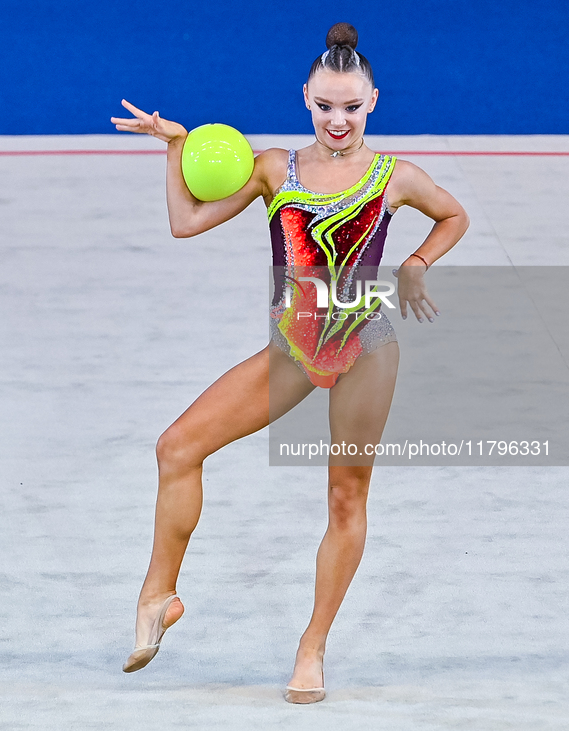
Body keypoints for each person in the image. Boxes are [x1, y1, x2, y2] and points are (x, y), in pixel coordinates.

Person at [110, 21, 469, 704]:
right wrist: (177, 147)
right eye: (325, 105)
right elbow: (185, 222)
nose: (338, 120)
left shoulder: (396, 177)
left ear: (373, 101)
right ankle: (157, 595)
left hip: (365, 350)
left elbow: (451, 216)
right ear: (305, 96)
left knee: (344, 496)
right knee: (177, 446)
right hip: (293, 350)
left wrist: (418, 263)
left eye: (351, 107)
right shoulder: (276, 168)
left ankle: (312, 646)